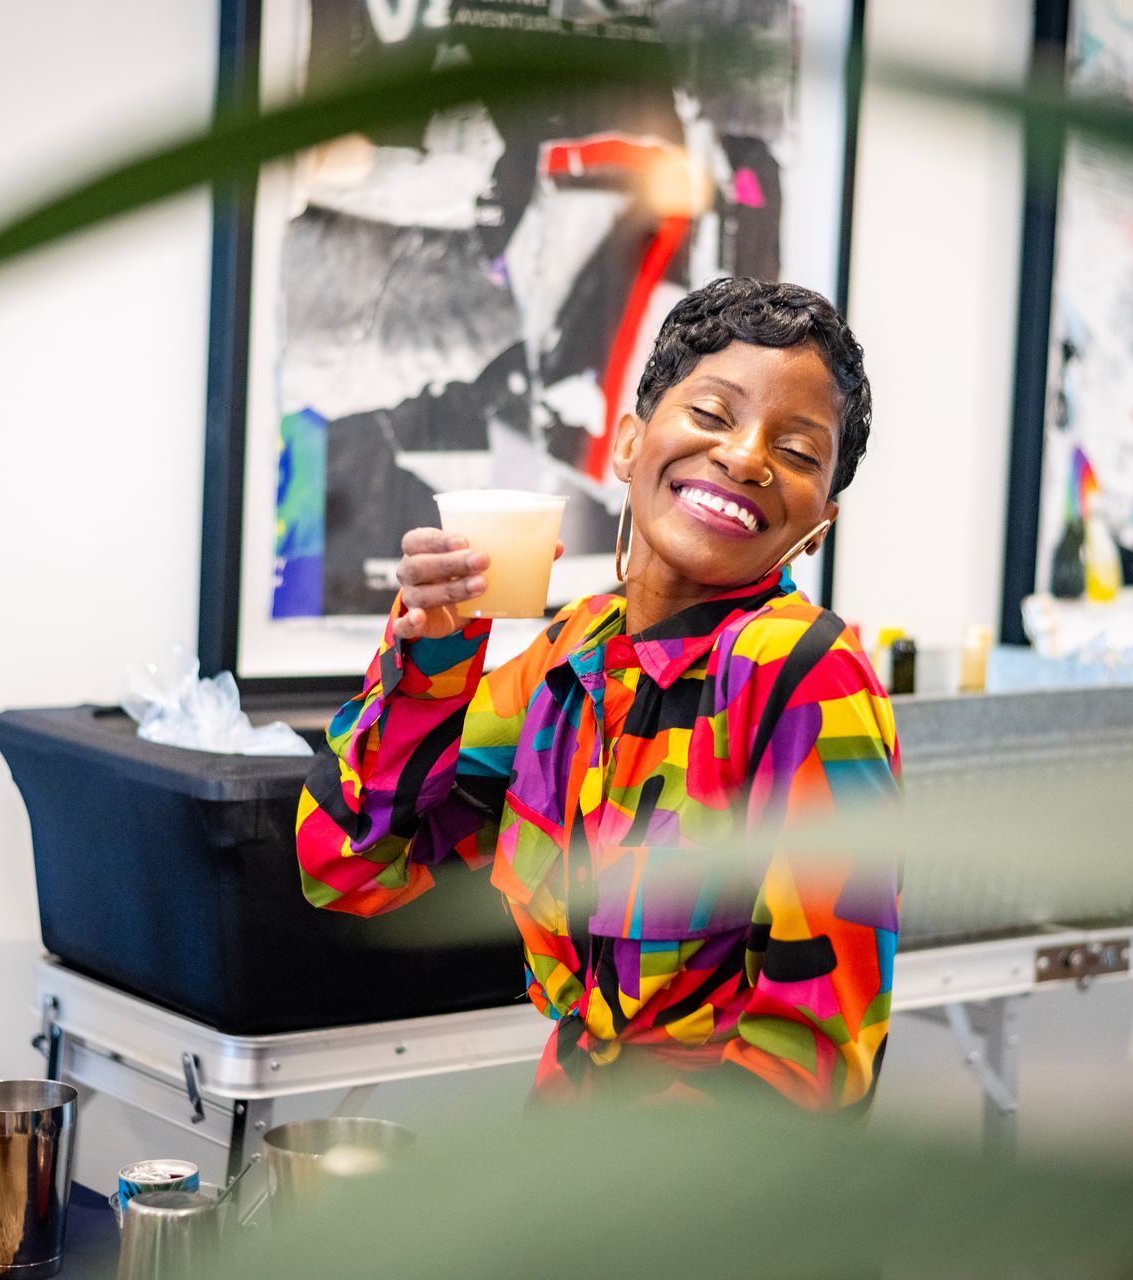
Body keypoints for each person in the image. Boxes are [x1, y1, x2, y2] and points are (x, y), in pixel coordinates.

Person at [296, 278, 900, 1110]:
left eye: (797, 453)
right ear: (627, 444)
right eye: (714, 415)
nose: (747, 456)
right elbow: (351, 869)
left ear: (817, 523)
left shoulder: (805, 676)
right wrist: (431, 659)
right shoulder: (574, 653)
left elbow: (815, 1059)